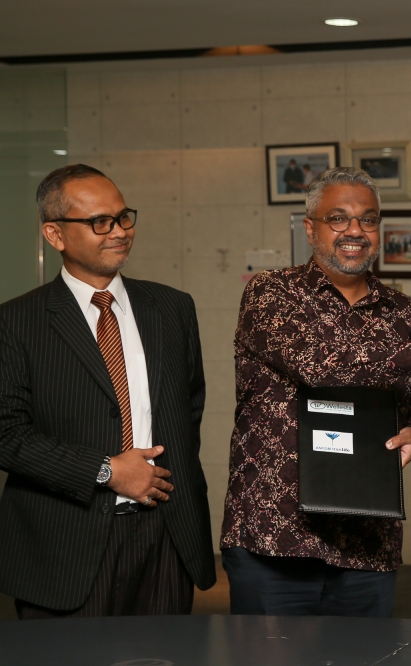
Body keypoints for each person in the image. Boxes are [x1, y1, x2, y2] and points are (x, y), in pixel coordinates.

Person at [220, 167, 411, 617]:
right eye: (338, 218)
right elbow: (321, 367)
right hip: (275, 536)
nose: (355, 231)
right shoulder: (272, 293)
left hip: (367, 539)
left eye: (368, 220)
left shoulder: (404, 313)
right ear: (311, 229)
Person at [0, 164, 216, 618]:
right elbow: (7, 436)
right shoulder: (16, 322)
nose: (118, 231)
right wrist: (106, 471)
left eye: (123, 217)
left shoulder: (173, 307)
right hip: (64, 546)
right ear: (54, 235)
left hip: (165, 540)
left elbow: (187, 413)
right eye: (100, 222)